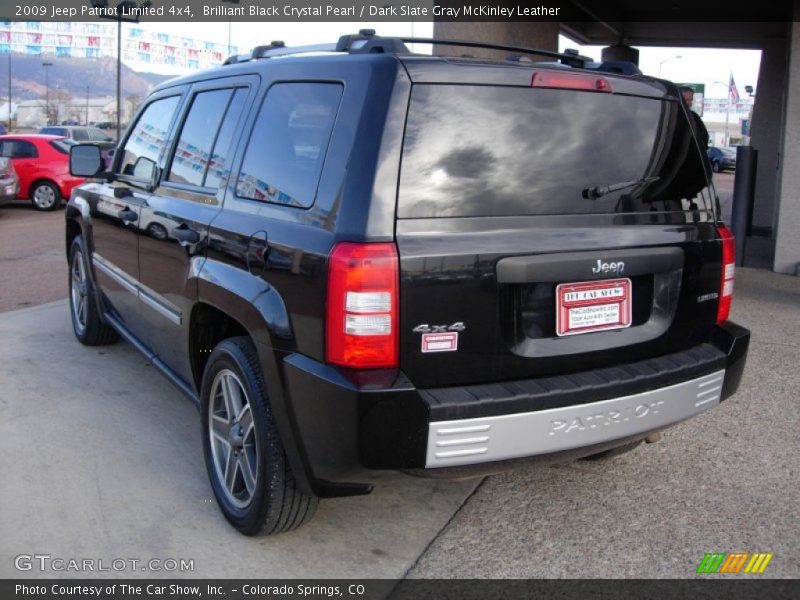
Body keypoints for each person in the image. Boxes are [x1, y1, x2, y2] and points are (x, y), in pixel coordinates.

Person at [679, 85, 710, 150]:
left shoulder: (694, 117)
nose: (689, 103)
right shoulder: (669, 115)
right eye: (686, 100)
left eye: (691, 100)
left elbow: (704, 137)